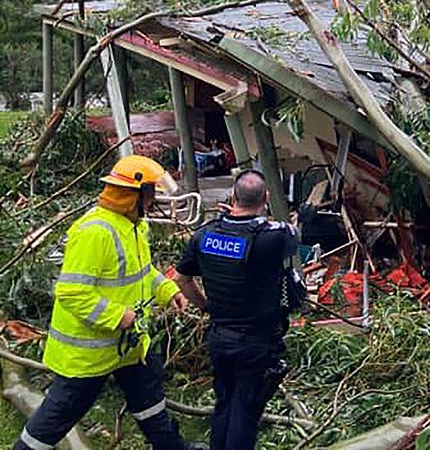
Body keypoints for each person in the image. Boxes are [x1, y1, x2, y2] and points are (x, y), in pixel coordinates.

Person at [15, 155, 203, 450]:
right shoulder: (95, 233)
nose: (155, 200)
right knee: (59, 414)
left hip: (127, 345)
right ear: (134, 195)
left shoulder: (134, 226)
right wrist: (118, 316)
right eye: (152, 192)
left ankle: (170, 446)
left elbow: (142, 272)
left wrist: (168, 291)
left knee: (150, 397)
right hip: (88, 354)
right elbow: (72, 292)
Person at [175, 170, 302, 450]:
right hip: (256, 342)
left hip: (219, 336)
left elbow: (181, 279)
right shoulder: (275, 238)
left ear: (232, 196)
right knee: (245, 412)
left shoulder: (204, 234)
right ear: (266, 198)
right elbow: (291, 231)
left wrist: (205, 306)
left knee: (224, 404)